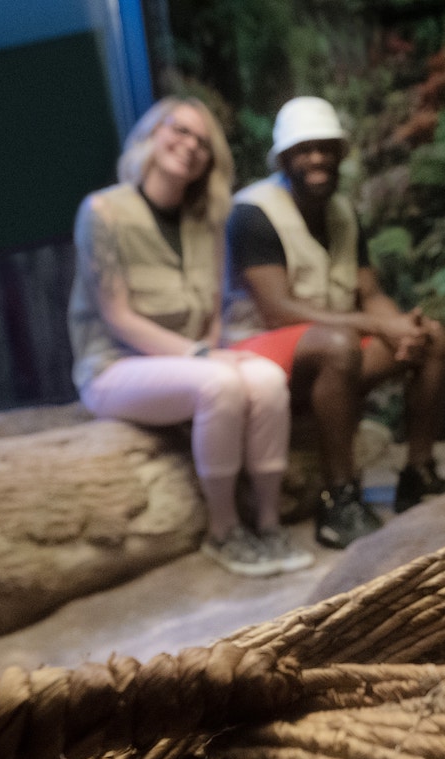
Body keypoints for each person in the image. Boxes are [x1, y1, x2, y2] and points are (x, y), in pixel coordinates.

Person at [67, 95, 313, 577]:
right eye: (179, 130)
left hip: (190, 359)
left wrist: (210, 348)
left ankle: (268, 520)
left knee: (264, 378)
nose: (190, 145)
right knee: (217, 384)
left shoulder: (208, 220)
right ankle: (222, 530)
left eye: (203, 141)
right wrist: (202, 357)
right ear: (152, 134)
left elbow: (211, 312)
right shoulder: (103, 212)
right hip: (114, 366)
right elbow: (117, 316)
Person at [225, 95, 445, 549]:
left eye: (325, 147)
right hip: (262, 358)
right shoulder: (252, 213)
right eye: (303, 149)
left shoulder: (342, 212)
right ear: (285, 158)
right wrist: (376, 327)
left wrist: (401, 328)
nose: (316, 158)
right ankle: (340, 499)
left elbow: (369, 293)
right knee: (340, 345)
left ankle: (417, 474)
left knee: (433, 337)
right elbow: (277, 310)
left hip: (335, 345)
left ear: (340, 154)